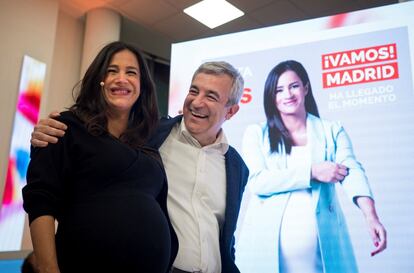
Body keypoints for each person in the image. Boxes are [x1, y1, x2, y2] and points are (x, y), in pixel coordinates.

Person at [30, 61, 249, 273]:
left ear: (231, 111)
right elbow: (88, 151)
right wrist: (52, 131)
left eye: (210, 96)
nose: (196, 102)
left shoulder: (238, 167)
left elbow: (225, 235)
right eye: (194, 91)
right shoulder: (147, 134)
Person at [22, 41, 178, 273]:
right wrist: (48, 269)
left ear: (142, 86)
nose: (121, 78)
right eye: (111, 71)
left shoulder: (148, 144)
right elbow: (40, 200)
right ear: (98, 80)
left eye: (131, 72)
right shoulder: (65, 127)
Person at [235, 60, 387, 273]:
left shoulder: (331, 130)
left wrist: (371, 216)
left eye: (294, 86)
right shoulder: (256, 134)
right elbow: (258, 182)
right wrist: (312, 171)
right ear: (272, 97)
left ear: (305, 88)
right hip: (265, 253)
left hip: (323, 254)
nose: (288, 94)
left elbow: (351, 171)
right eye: (279, 90)